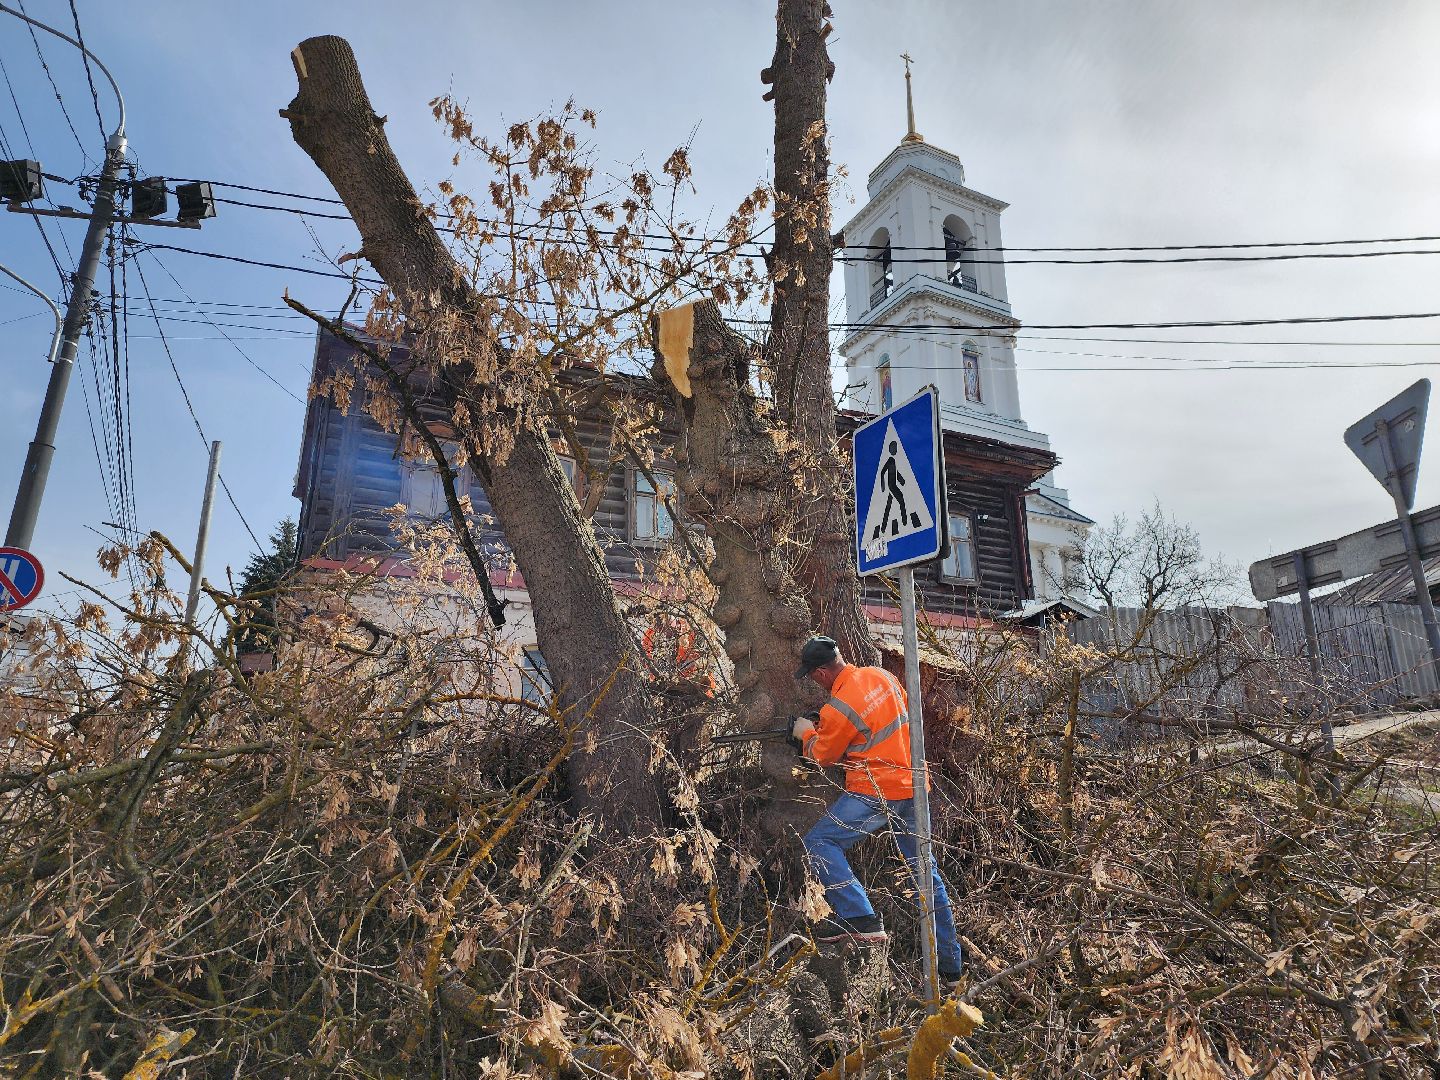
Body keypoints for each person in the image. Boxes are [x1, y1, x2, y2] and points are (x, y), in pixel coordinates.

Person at [791, 635, 964, 988]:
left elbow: (823, 755)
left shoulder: (837, 708)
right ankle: (951, 969)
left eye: (812, 676)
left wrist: (806, 733)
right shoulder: (882, 676)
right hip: (915, 785)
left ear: (821, 673)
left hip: (876, 791)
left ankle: (860, 919)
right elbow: (883, 727)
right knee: (925, 874)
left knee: (819, 843)